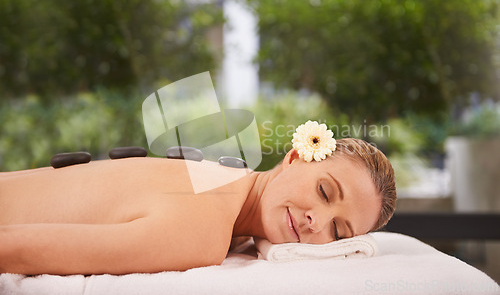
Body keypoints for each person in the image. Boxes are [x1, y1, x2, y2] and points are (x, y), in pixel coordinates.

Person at [0, 121, 396, 276]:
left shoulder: (219, 180)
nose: (317, 222)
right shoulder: (204, 231)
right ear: (293, 157)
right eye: (325, 192)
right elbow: (13, 248)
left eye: (339, 232)